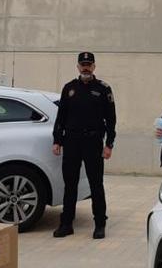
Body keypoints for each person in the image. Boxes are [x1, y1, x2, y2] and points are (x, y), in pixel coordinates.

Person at [52, 52, 117, 239]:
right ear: (78, 67)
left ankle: (100, 224)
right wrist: (57, 140)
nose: (86, 67)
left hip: (93, 142)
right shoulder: (69, 88)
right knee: (69, 184)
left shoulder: (103, 89)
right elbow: (61, 118)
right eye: (83, 64)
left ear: (94, 67)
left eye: (89, 64)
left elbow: (111, 120)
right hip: (71, 142)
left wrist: (109, 144)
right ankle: (66, 224)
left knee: (96, 184)